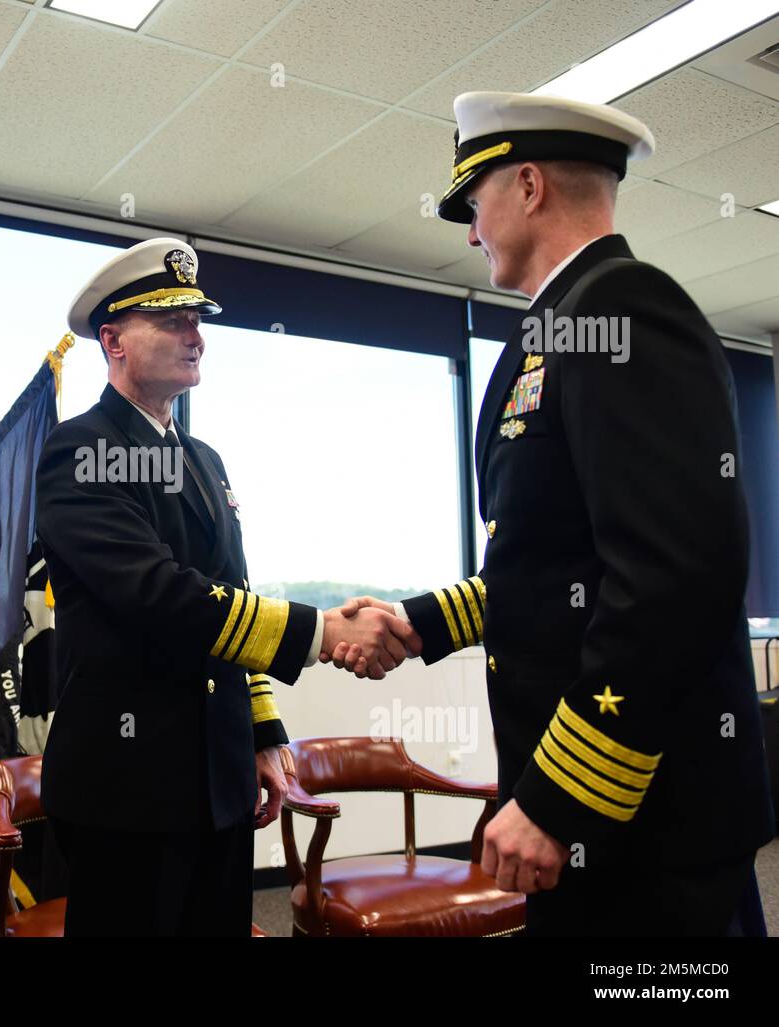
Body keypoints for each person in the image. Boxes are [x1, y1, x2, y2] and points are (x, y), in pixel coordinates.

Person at [332, 91, 775, 936]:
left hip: (643, 819)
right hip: (591, 822)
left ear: (528, 185)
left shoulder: (622, 311)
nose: (469, 230)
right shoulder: (553, 332)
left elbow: (676, 576)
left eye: (475, 203)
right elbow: (545, 565)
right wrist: (418, 622)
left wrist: (559, 797)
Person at [36, 237, 418, 936]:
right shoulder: (79, 451)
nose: (197, 337)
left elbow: (233, 591)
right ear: (113, 340)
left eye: (197, 319)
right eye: (173, 320)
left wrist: (263, 734)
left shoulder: (204, 460)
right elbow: (162, 596)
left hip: (216, 779)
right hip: (127, 787)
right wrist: (324, 632)